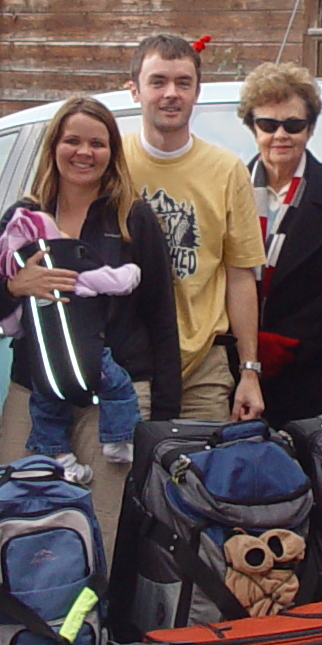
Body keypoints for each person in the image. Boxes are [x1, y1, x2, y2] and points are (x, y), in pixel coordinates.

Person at [0, 94, 180, 543]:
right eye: (72, 141)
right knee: (17, 515)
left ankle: (92, 615)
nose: (84, 153)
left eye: (98, 143)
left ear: (112, 152)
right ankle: (28, 613)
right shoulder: (23, 220)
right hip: (34, 393)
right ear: (54, 146)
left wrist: (164, 416)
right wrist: (16, 286)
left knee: (100, 530)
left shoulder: (134, 218)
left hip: (115, 399)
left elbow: (163, 320)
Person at [120, 34, 266, 421]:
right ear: (134, 90)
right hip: (127, 365)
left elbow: (240, 276)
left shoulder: (227, 170)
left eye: (183, 83)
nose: (171, 93)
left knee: (200, 478)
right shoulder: (112, 164)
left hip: (204, 365)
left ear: (196, 92)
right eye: (158, 82)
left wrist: (249, 370)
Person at [238, 61, 322, 426]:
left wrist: (283, 343)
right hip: (241, 373)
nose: (280, 135)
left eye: (293, 125)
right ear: (252, 127)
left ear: (310, 128)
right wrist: (249, 350)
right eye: (268, 124)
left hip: (320, 374)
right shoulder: (227, 191)